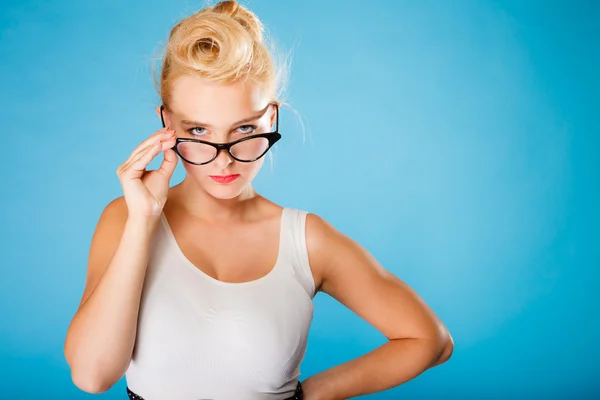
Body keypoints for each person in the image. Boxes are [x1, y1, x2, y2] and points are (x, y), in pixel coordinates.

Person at [63, 1, 454, 399]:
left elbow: (430, 339)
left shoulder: (307, 241)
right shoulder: (128, 218)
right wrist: (143, 221)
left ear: (271, 118)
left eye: (244, 128)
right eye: (198, 130)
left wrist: (315, 393)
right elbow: (92, 377)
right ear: (167, 124)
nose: (224, 156)